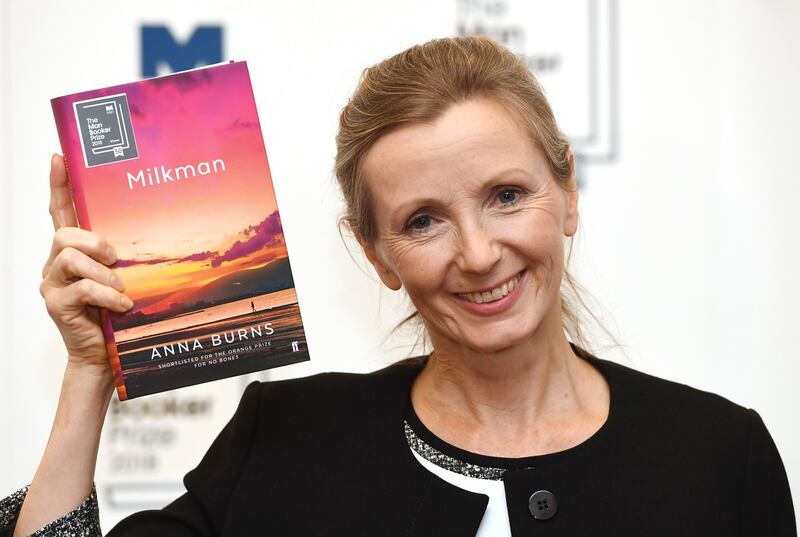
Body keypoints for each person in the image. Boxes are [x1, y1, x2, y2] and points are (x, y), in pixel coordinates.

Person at [1, 36, 796, 536]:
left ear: (570, 193)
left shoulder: (723, 456)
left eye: (507, 196)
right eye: (423, 220)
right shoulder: (281, 437)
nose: (480, 253)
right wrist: (88, 371)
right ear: (377, 255)